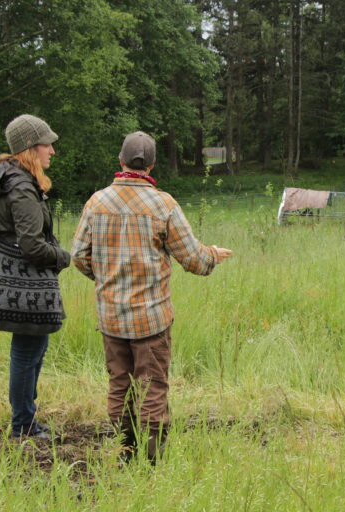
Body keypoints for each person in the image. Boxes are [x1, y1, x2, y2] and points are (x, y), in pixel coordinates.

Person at [71, 131, 232, 461]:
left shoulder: (96, 203)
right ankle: (153, 459)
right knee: (153, 386)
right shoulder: (164, 205)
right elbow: (195, 261)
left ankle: (124, 452)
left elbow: (78, 256)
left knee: (119, 384)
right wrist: (213, 254)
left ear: (120, 161)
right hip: (152, 318)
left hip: (111, 316)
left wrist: (105, 279)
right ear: (153, 164)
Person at [0, 114, 71, 440]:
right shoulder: (21, 186)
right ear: (31, 148)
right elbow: (32, 245)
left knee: (30, 348)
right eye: (47, 145)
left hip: (13, 276)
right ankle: (23, 426)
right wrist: (65, 257)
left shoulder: (8, 178)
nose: (52, 151)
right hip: (27, 281)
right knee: (28, 350)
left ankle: (26, 420)